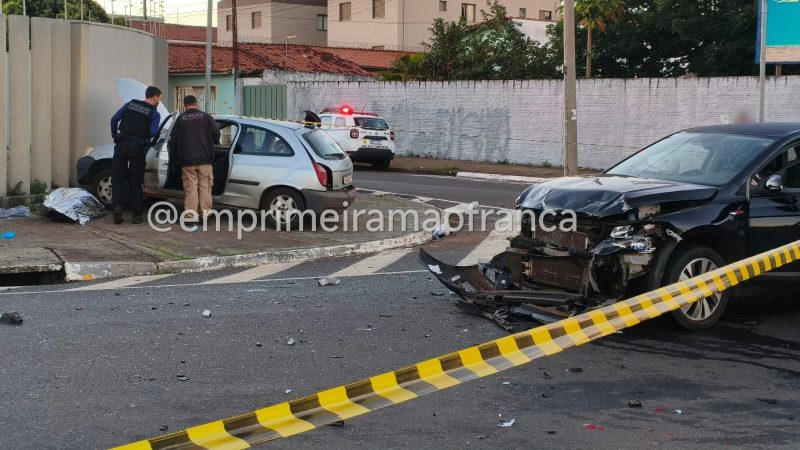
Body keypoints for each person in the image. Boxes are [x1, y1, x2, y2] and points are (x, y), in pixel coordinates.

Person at [109, 86, 162, 224]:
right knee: (136, 180)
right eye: (159, 98)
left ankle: (117, 207)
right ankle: (137, 214)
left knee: (117, 178)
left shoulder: (130, 104)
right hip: (137, 148)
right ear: (154, 97)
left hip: (121, 145)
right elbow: (152, 132)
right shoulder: (154, 114)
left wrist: (115, 135)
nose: (159, 102)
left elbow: (114, 119)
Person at [171, 95, 220, 222]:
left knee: (191, 188)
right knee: (205, 187)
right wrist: (214, 142)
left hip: (187, 161)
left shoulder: (180, 119)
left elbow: (174, 140)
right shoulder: (206, 116)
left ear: (185, 105)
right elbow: (216, 132)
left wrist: (175, 160)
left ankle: (191, 216)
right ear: (196, 104)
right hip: (205, 160)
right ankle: (205, 216)